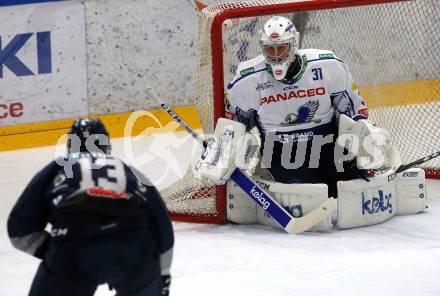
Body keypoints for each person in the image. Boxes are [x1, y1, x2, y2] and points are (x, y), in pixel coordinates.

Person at [7, 118, 174, 296]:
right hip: (133, 245)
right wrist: (162, 275)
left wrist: (54, 249)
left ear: (70, 144)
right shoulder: (128, 169)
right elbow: (162, 227)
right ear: (106, 143)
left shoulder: (57, 167)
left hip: (74, 242)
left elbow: (19, 229)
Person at [222, 15, 373, 197]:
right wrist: (224, 149)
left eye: (282, 48)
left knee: (352, 188)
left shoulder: (327, 65)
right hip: (281, 153)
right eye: (270, 49)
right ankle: (269, 174)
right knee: (304, 195)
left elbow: (354, 109)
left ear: (293, 45)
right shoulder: (247, 80)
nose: (276, 56)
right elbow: (236, 123)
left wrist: (362, 142)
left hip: (328, 146)